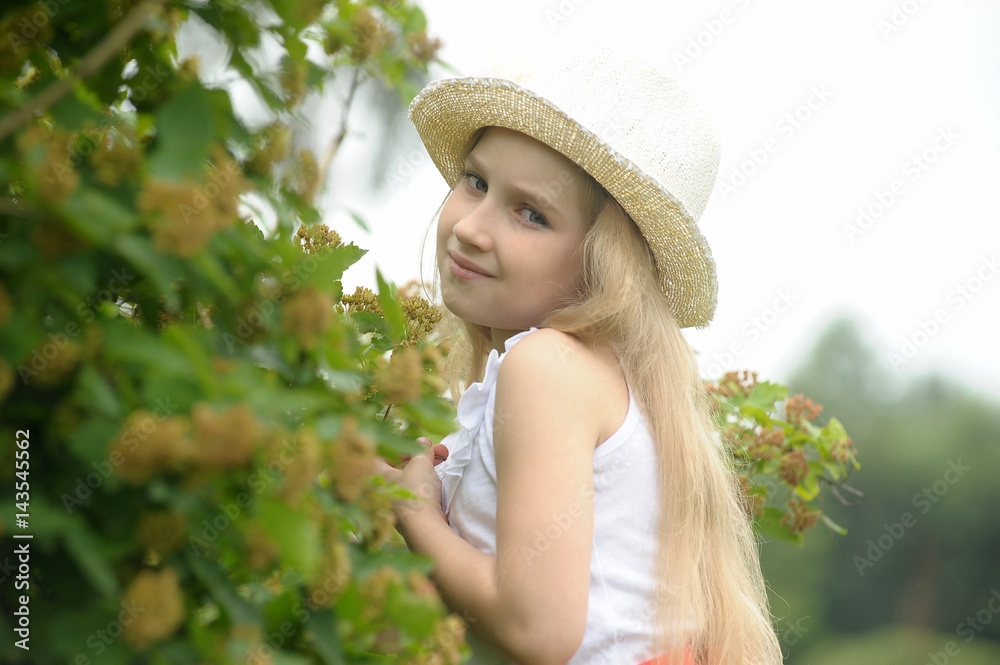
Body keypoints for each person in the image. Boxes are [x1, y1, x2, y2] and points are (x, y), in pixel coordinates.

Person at [376, 47, 783, 665]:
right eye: (476, 181)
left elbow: (537, 631)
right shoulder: (602, 375)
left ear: (602, 264)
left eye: (531, 214)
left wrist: (415, 514)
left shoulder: (546, 369)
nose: (472, 228)